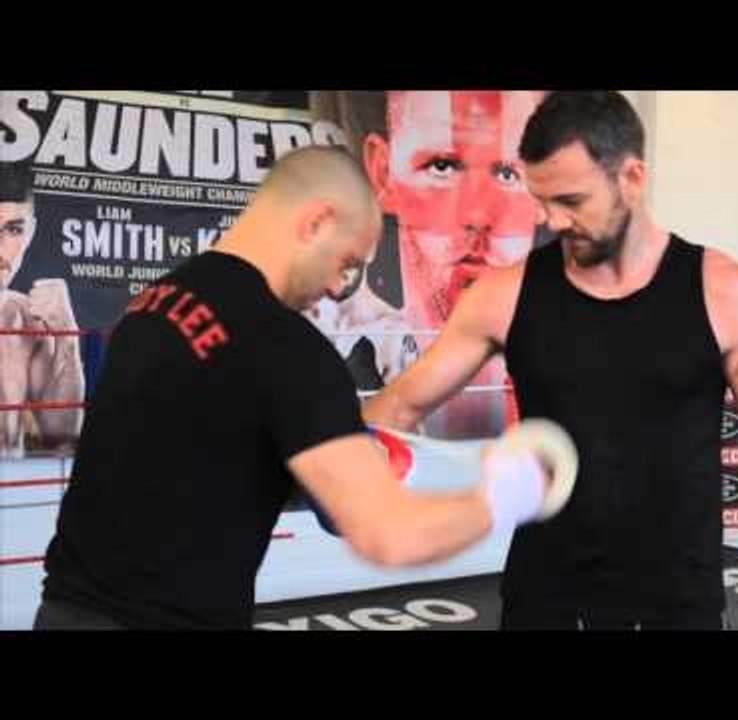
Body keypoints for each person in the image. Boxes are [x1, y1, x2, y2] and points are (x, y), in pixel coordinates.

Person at [33, 146, 556, 630]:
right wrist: (503, 498)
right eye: (349, 263)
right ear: (316, 222)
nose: (337, 286)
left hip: (63, 610)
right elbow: (390, 535)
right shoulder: (286, 349)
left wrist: (322, 460)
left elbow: (191, 467)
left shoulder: (151, 307)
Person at [364, 92, 738, 630]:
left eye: (571, 200)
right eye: (541, 201)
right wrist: (332, 471)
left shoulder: (726, 293)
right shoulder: (504, 295)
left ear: (631, 178)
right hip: (546, 601)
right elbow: (399, 405)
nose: (553, 220)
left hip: (679, 605)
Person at [309, 91, 547, 438]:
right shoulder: (341, 349)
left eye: (509, 173)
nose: (478, 215)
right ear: (384, 171)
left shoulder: (577, 351)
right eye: (443, 166)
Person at [0, 161, 84, 457]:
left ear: (31, 232)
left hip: (11, 498)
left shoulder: (24, 317)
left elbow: (63, 440)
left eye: (13, 229)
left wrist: (67, 337)